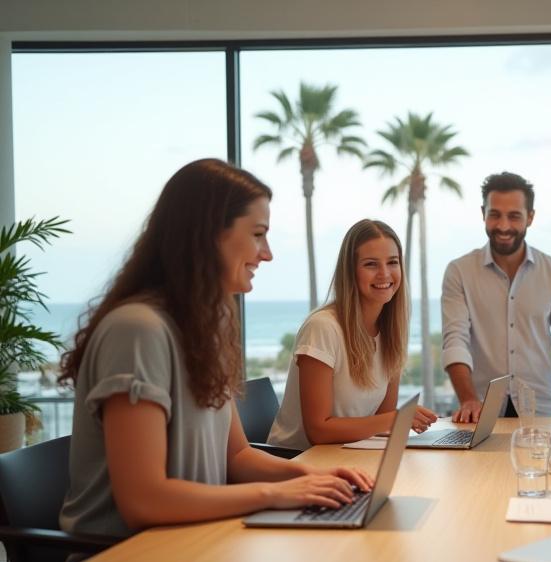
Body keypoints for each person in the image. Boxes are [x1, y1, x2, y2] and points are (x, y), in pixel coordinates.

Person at [59, 159, 372, 542]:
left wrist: (311, 476)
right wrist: (274, 494)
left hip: (195, 543)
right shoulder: (137, 330)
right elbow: (143, 500)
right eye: (258, 234)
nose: (267, 253)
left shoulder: (208, 329)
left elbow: (237, 457)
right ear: (207, 234)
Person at [441, 171, 551, 421]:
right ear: (483, 213)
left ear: (530, 217)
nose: (503, 226)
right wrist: (468, 399)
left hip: (542, 412)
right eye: (495, 215)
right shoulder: (459, 271)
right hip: (479, 413)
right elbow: (455, 342)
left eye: (514, 216)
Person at [268, 219, 437, 449]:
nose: (384, 273)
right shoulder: (323, 327)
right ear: (350, 271)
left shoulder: (392, 331)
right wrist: (396, 419)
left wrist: (409, 429)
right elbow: (318, 431)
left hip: (348, 456)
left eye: (392, 262)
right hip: (299, 462)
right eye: (371, 264)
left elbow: (380, 423)